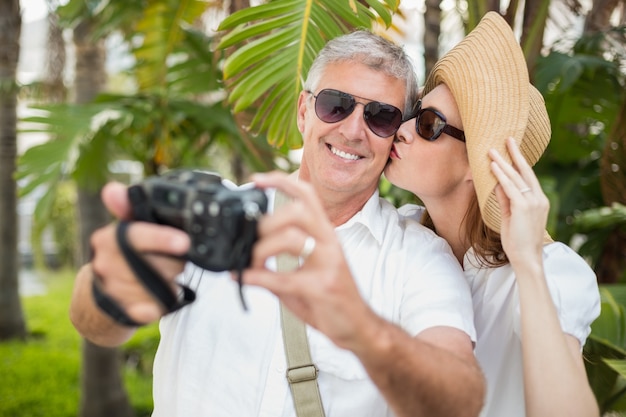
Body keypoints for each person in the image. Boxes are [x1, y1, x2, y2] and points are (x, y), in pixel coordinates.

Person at [69, 30, 486, 417]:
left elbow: (461, 397)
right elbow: (93, 325)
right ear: (305, 111)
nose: (353, 130)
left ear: (395, 135)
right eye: (335, 105)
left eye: (380, 117)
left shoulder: (419, 257)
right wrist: (115, 285)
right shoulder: (207, 210)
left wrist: (364, 330)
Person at [384, 12, 601, 417]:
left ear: (480, 166)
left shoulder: (549, 271)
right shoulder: (401, 231)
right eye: (415, 111)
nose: (404, 128)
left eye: (429, 124)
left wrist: (528, 264)